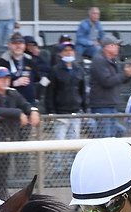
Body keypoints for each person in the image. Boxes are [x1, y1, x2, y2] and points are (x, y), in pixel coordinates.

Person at [0, 66, 38, 195]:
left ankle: (1, 200)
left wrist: (33, 111)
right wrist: (18, 113)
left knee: (2, 176)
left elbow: (25, 104)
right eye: (1, 78)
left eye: (7, 78)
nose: (5, 80)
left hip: (8, 138)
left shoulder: (12, 92)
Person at [45, 42, 86, 178]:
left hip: (75, 111)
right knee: (60, 142)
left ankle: (71, 167)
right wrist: (51, 111)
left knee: (74, 141)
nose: (69, 53)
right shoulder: (55, 70)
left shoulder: (79, 69)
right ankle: (58, 168)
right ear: (60, 53)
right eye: (66, 50)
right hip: (60, 113)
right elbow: (50, 92)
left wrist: (84, 109)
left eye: (71, 50)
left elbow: (82, 91)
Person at [89, 35, 131, 138]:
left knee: (116, 134)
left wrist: (130, 74)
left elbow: (119, 80)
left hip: (110, 104)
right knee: (106, 138)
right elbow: (107, 81)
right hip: (102, 105)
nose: (118, 47)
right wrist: (125, 74)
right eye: (115, 45)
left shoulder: (112, 60)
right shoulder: (99, 60)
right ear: (107, 47)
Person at [0, 32, 38, 106]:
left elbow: (37, 78)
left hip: (29, 102)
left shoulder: (30, 61)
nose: (18, 46)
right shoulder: (2, 62)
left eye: (20, 43)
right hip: (9, 104)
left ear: (24, 46)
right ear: (9, 45)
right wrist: (13, 83)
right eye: (14, 43)